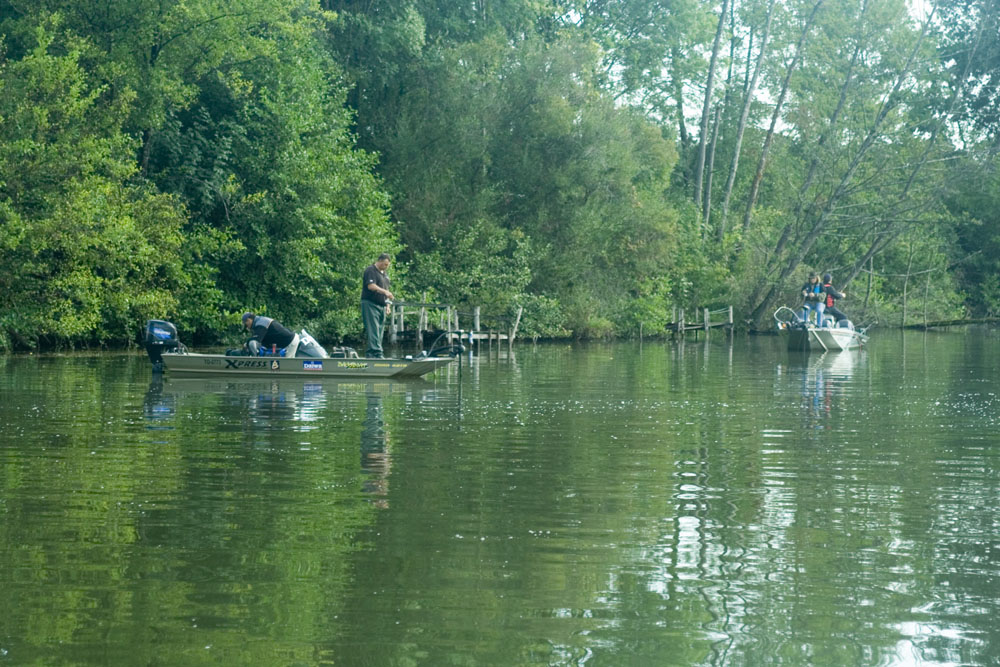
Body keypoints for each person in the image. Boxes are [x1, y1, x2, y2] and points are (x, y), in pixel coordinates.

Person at [361, 253, 394, 358]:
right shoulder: (370, 270)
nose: (386, 266)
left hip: (382, 306)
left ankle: (371, 353)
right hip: (370, 304)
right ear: (379, 261)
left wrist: (388, 305)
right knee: (373, 329)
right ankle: (377, 353)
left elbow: (387, 290)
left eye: (387, 265)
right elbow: (371, 286)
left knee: (380, 331)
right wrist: (384, 292)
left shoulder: (385, 275)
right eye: (385, 264)